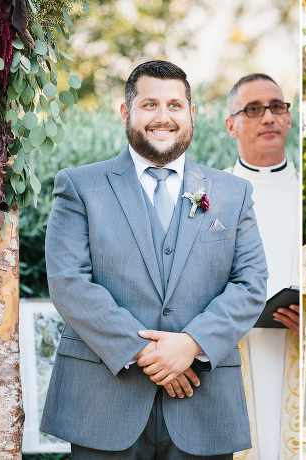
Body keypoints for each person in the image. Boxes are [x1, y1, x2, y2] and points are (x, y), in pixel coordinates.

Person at [40, 60, 267, 459]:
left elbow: (250, 285)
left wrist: (192, 344)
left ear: (192, 114)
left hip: (203, 401)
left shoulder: (234, 193)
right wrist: (150, 353)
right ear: (126, 112)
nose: (163, 117)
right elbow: (68, 281)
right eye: (150, 105)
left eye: (175, 106)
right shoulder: (79, 185)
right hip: (104, 402)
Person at [224, 73, 301, 459]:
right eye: (254, 109)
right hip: (231, 355)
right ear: (232, 125)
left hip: (296, 352)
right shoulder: (211, 195)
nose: (268, 117)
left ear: (288, 118)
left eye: (277, 107)